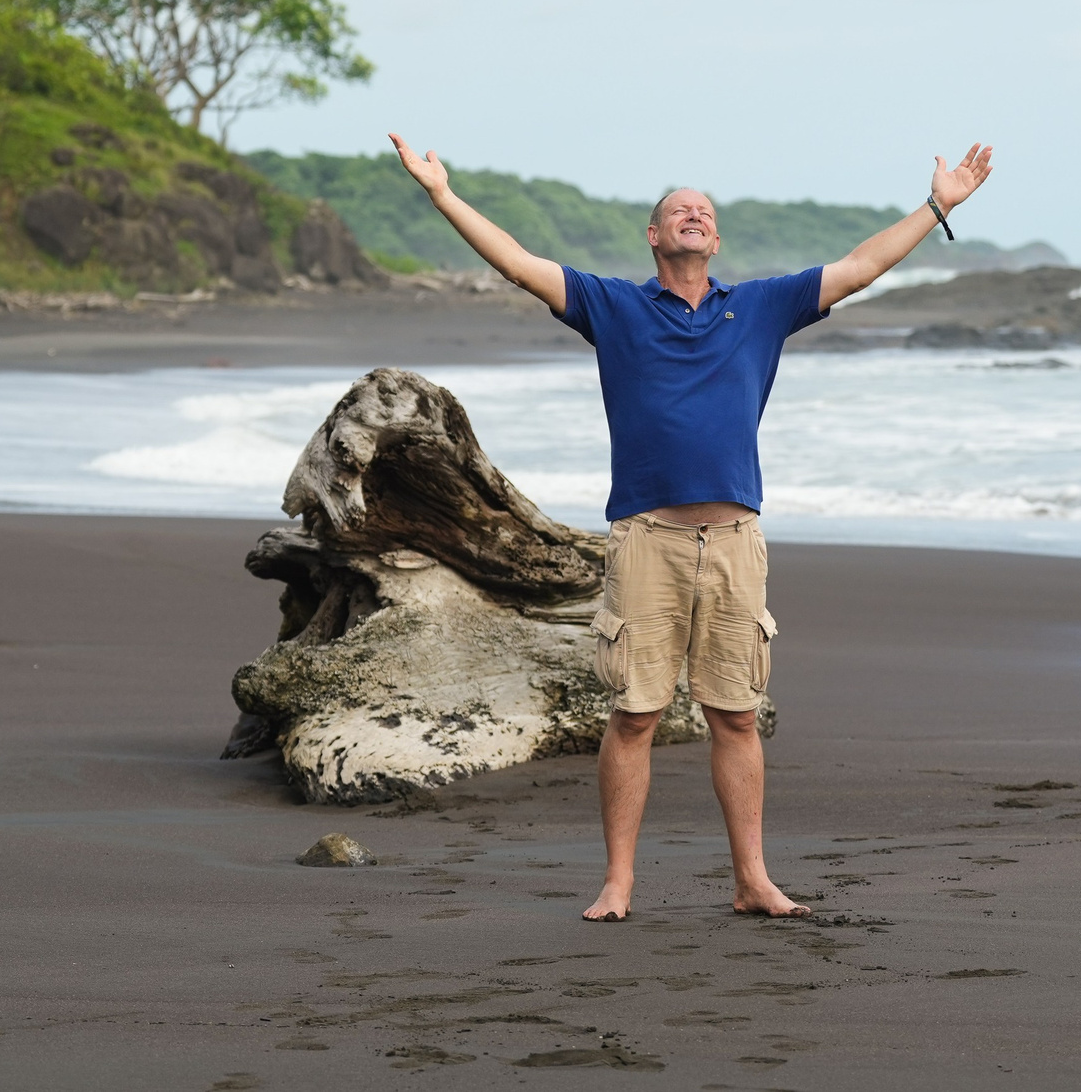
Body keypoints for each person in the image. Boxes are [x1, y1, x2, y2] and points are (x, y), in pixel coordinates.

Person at [388, 133, 996, 920]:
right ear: (654, 235)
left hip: (736, 543)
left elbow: (860, 266)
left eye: (704, 212)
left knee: (736, 713)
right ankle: (618, 883)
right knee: (635, 713)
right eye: (679, 210)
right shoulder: (613, 306)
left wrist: (937, 205)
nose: (694, 215)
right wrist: (442, 195)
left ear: (716, 238)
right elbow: (516, 261)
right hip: (648, 540)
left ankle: (752, 879)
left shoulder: (762, 307)